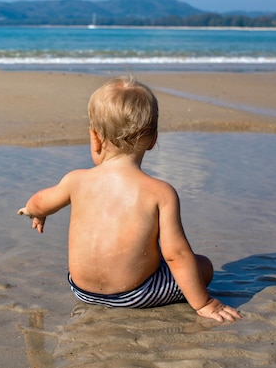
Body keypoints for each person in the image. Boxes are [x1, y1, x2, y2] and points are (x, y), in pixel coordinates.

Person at [17, 76, 242, 322]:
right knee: (204, 267)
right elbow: (176, 254)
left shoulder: (76, 180)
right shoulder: (160, 192)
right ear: (152, 140)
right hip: (136, 294)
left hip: (81, 290)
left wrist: (35, 212)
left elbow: (39, 201)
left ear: (94, 138)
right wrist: (205, 303)